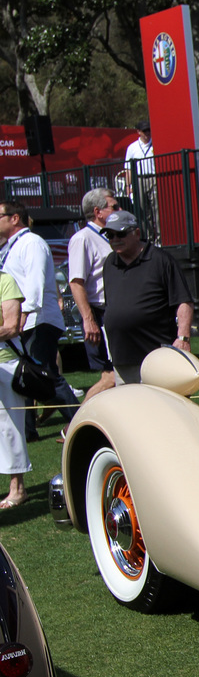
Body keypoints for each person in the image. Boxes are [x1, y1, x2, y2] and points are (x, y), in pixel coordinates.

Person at [0, 201, 76, 439]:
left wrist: (21, 319)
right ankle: (28, 430)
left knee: (44, 377)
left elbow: (34, 285)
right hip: (26, 321)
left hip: (36, 320)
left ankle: (81, 419)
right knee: (26, 375)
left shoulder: (31, 243)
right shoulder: (11, 246)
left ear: (15, 218)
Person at [99, 210, 194, 384]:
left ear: (136, 233)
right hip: (122, 358)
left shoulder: (160, 260)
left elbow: (183, 301)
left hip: (156, 357)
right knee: (129, 409)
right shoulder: (110, 263)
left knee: (162, 407)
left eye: (120, 234)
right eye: (110, 235)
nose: (114, 239)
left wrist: (183, 338)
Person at [68, 188, 120, 402]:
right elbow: (76, 282)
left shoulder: (112, 237)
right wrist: (89, 321)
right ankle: (75, 426)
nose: (119, 210)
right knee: (111, 377)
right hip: (100, 314)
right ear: (98, 211)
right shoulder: (83, 239)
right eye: (114, 207)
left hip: (116, 312)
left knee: (119, 376)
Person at [0, 268, 28, 507]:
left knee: (10, 428)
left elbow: (11, 327)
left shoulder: (5, 280)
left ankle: (17, 488)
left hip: (5, 363)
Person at [123, 120, 157, 240]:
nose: (147, 133)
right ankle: (147, 237)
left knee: (156, 208)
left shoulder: (156, 144)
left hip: (154, 178)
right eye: (144, 131)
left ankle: (159, 238)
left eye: (149, 130)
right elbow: (128, 169)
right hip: (139, 179)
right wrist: (128, 186)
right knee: (142, 210)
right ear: (138, 132)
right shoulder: (132, 147)